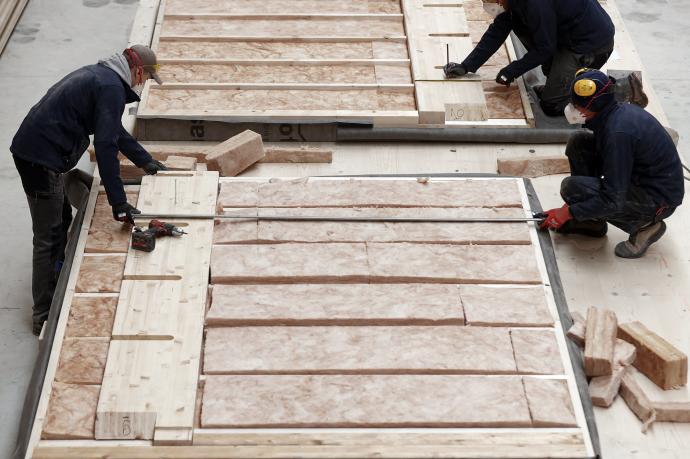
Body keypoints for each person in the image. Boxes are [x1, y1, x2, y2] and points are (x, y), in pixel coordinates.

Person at [10, 45, 167, 335]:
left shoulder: (105, 78)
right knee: (48, 234)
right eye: (144, 78)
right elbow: (106, 147)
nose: (142, 85)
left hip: (43, 152)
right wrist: (119, 203)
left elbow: (114, 131)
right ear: (137, 70)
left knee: (61, 220)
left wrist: (145, 161)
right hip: (38, 157)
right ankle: (43, 314)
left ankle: (56, 281)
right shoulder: (110, 88)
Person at [538, 69, 684, 259]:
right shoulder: (612, 113)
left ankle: (645, 226)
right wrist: (574, 211)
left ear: (593, 105)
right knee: (579, 143)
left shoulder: (618, 134)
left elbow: (613, 199)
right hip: (640, 177)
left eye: (576, 105)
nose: (572, 110)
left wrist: (569, 211)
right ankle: (591, 221)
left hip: (658, 199)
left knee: (573, 189)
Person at [443, 0, 647, 115]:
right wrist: (467, 66)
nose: (488, 4)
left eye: (490, 0)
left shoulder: (534, 5)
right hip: (569, 35)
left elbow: (545, 49)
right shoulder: (513, 4)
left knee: (553, 106)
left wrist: (510, 71)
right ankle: (565, 81)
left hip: (590, 45)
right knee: (526, 35)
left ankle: (621, 89)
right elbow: (497, 32)